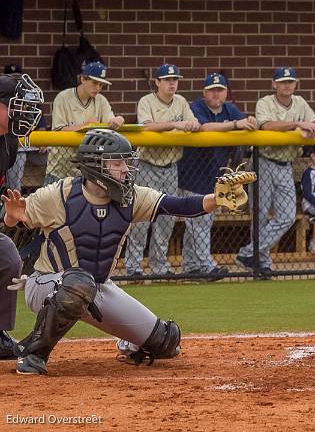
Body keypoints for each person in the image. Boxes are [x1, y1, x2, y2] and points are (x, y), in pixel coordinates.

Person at [1, 128, 254, 374]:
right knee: (77, 284)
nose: (125, 169)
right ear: (96, 164)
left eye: (126, 162)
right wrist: (12, 218)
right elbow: (14, 217)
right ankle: (34, 354)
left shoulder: (130, 197)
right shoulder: (59, 195)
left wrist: (216, 199)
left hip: (99, 286)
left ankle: (127, 342)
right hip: (46, 284)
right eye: (117, 163)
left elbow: (176, 204)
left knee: (166, 342)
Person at [236, 67, 315, 273]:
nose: (287, 85)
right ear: (274, 84)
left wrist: (313, 128)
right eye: (283, 82)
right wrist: (297, 124)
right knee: (261, 217)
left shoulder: (300, 102)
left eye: (290, 81)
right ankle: (262, 263)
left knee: (287, 215)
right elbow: (267, 126)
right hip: (263, 162)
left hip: (286, 165)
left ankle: (249, 253)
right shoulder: (265, 102)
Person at [177, 73, 257, 278]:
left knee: (198, 222)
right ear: (204, 92)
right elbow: (205, 127)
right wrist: (235, 125)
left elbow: (246, 123)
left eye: (220, 90)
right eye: (212, 90)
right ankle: (207, 266)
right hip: (192, 173)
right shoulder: (196, 107)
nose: (216, 94)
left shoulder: (230, 109)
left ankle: (190, 266)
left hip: (214, 174)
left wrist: (249, 121)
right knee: (199, 221)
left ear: (226, 92)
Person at [124, 64, 200, 278]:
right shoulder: (146, 101)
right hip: (146, 166)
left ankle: (160, 268)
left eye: (175, 79)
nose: (172, 83)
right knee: (140, 219)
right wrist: (177, 124)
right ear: (157, 82)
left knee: (166, 221)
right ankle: (133, 268)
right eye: (167, 79)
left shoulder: (181, 101)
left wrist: (191, 123)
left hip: (170, 166)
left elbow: (193, 121)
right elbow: (146, 127)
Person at [0, 73, 43, 360]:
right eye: (14, 105)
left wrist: (9, 216)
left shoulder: (9, 144)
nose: (21, 113)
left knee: (8, 258)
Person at [46, 61, 125, 185]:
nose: (98, 88)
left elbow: (111, 122)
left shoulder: (101, 100)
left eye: (101, 85)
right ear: (82, 79)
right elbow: (58, 130)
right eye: (94, 83)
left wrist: (119, 119)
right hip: (60, 168)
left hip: (88, 171)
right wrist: (85, 126)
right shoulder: (63, 97)